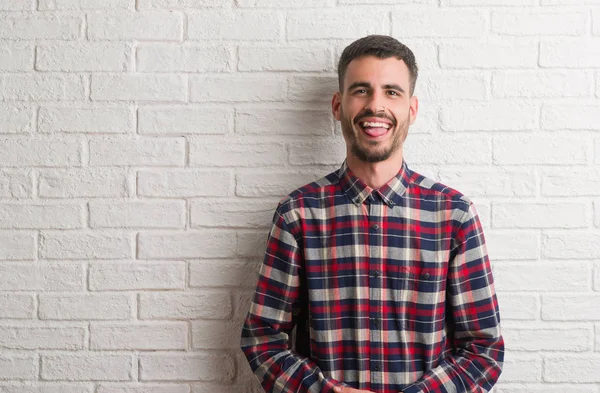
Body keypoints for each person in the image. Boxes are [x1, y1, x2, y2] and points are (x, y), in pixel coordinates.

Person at [240, 35, 504, 393]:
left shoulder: (454, 215)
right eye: (361, 90)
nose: (375, 105)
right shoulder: (298, 214)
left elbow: (483, 350)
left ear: (411, 109)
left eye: (391, 92)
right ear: (338, 105)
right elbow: (262, 339)